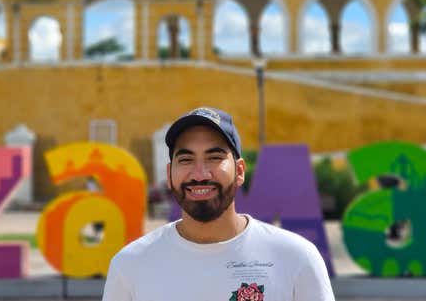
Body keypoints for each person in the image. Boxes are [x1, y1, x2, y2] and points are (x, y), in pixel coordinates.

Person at [102, 106, 334, 301]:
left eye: (214, 158)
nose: (200, 173)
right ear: (169, 174)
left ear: (240, 171)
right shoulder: (130, 265)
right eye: (186, 159)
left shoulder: (296, 258)